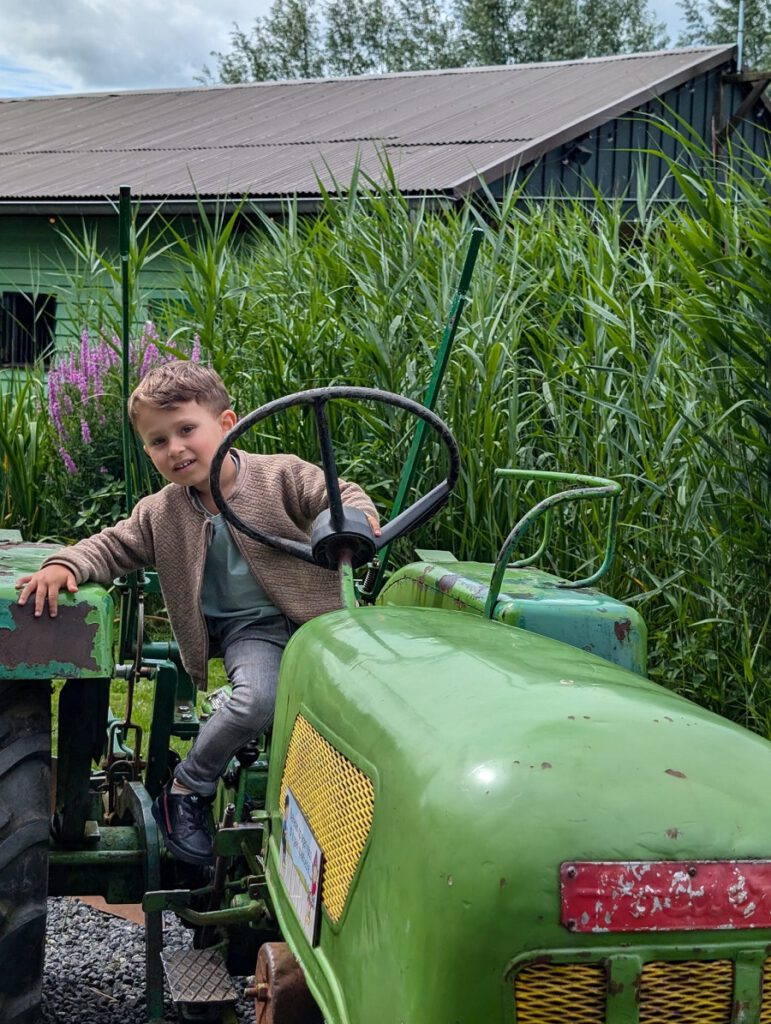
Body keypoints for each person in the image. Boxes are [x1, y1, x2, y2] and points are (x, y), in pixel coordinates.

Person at [15, 361, 379, 866]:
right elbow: (111, 546)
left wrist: (354, 519)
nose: (176, 449)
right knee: (255, 700)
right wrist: (65, 564)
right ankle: (187, 788)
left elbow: (337, 495)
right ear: (148, 451)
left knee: (376, 708)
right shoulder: (160, 513)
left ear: (227, 424)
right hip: (252, 630)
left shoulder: (279, 476)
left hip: (323, 620)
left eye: (187, 430)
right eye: (159, 441)